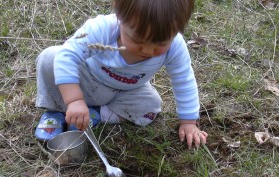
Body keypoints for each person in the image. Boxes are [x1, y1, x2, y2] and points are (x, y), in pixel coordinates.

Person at [34, 0, 208, 148]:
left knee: (151, 105)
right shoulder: (103, 28)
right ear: (120, 17)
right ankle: (56, 111)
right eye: (138, 40)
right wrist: (74, 100)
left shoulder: (176, 46)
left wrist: (188, 122)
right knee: (51, 58)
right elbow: (68, 55)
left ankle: (96, 113)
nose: (147, 50)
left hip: (125, 92)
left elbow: (183, 80)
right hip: (86, 81)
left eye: (160, 43)